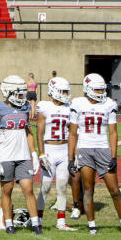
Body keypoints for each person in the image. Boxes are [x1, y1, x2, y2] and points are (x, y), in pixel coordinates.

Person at [68, 73, 121, 235]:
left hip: (103, 149)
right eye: (96, 90)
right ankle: (92, 225)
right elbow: (73, 133)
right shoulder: (78, 103)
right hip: (85, 149)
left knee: (115, 190)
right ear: (88, 89)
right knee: (88, 189)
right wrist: (71, 158)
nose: (99, 93)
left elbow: (113, 132)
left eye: (101, 90)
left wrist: (113, 156)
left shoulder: (108, 104)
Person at [0, 75, 42, 235]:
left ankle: (35, 224)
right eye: (18, 94)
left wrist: (34, 154)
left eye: (23, 94)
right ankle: (9, 223)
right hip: (5, 155)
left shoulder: (25, 107)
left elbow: (28, 131)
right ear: (8, 92)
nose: (22, 97)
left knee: (28, 189)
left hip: (23, 155)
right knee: (7, 190)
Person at [36, 76, 76, 230]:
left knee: (62, 186)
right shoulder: (45, 106)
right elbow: (40, 131)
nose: (65, 94)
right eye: (63, 91)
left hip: (64, 149)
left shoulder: (69, 107)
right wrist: (41, 153)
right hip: (50, 149)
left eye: (67, 91)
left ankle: (60, 221)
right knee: (45, 187)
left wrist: (74, 154)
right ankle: (38, 220)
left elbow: (73, 132)